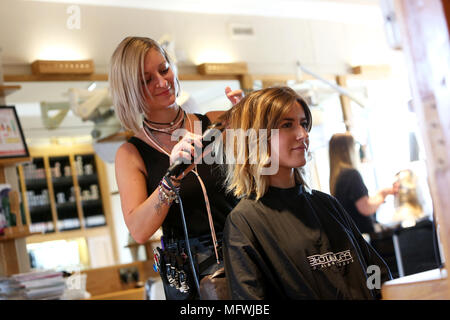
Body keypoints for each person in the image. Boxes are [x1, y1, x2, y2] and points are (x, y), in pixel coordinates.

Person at [222, 86, 392, 300]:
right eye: (287, 125)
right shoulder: (245, 222)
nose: (303, 134)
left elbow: (376, 272)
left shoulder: (327, 205)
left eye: (303, 124)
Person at [109, 36, 242, 299]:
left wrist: (256, 125)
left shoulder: (216, 122)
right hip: (189, 274)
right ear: (129, 90)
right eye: (146, 80)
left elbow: (266, 173)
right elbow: (139, 229)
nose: (162, 82)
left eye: (164, 69)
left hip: (243, 254)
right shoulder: (130, 154)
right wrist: (173, 177)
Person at [329, 133, 397, 234]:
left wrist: (383, 192)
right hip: (364, 235)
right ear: (348, 149)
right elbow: (366, 208)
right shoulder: (351, 175)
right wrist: (383, 195)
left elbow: (359, 202)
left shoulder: (338, 177)